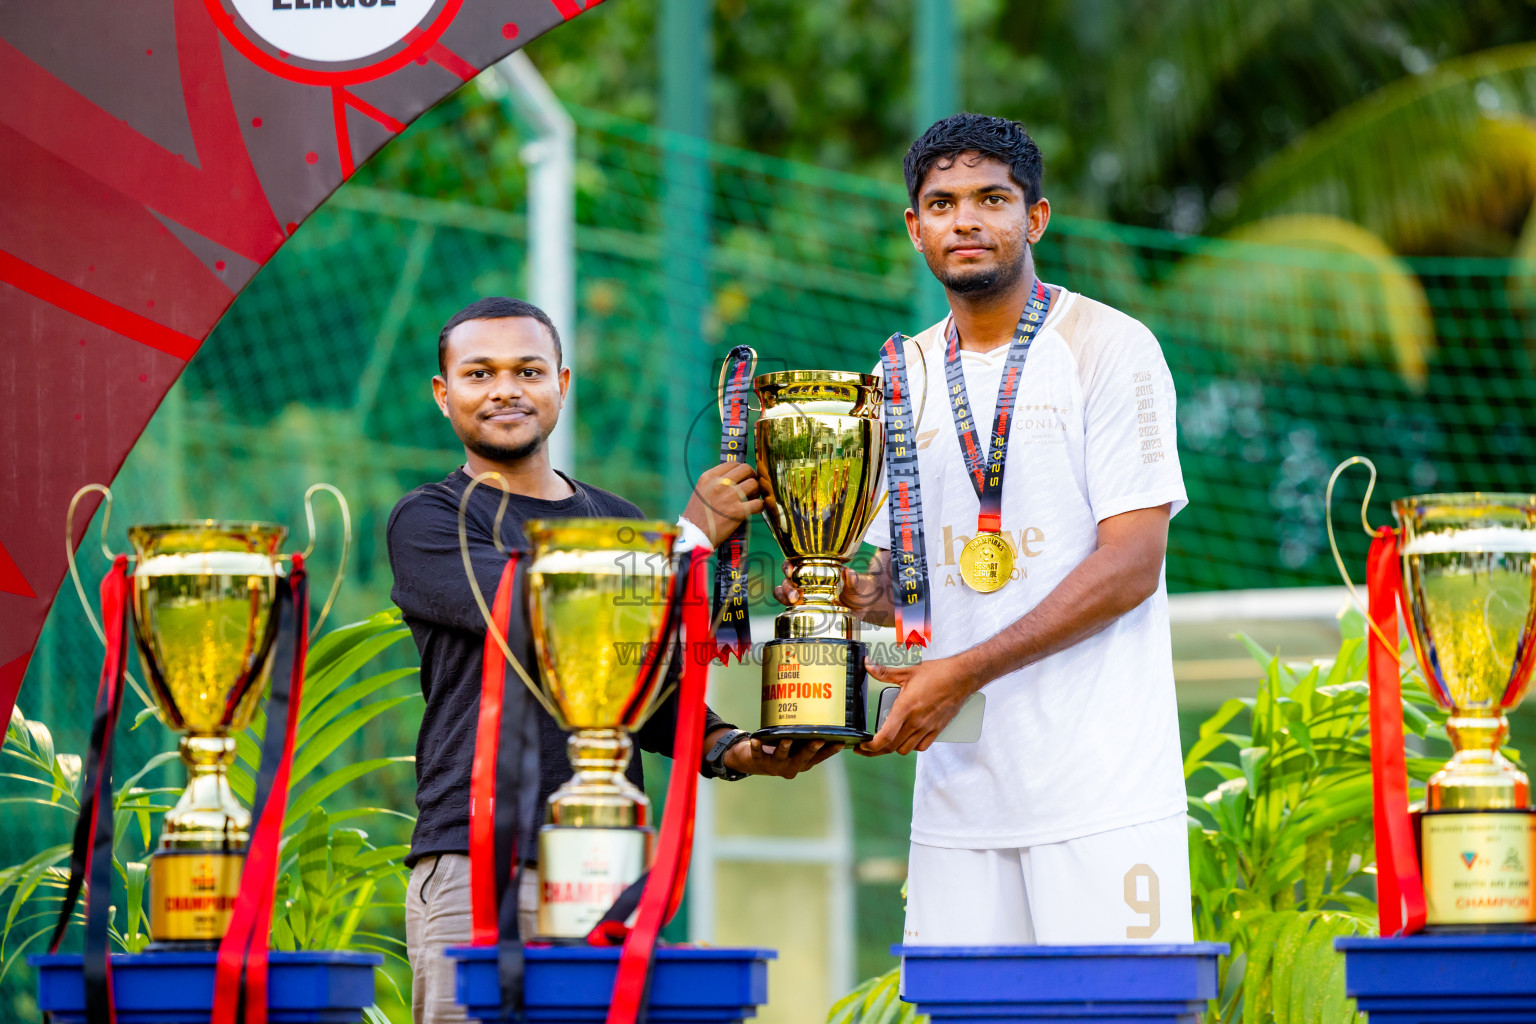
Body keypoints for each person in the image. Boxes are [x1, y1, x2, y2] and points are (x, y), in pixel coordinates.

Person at [778, 114, 1192, 946]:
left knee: (1115, 1020)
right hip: (960, 792)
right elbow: (913, 578)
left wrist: (961, 670)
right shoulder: (898, 375)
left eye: (991, 199)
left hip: (1101, 791)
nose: (965, 220)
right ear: (915, 227)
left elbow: (1131, 566)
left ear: (1034, 219)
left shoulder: (1110, 347)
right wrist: (856, 595)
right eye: (942, 202)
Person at [391, 297, 837, 1024]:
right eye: (480, 373)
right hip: (479, 858)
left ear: (562, 384)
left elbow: (642, 683)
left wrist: (732, 747)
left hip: (609, 858)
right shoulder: (432, 519)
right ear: (444, 396)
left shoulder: (616, 521)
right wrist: (689, 538)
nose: (506, 388)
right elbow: (534, 614)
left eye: (528, 370)